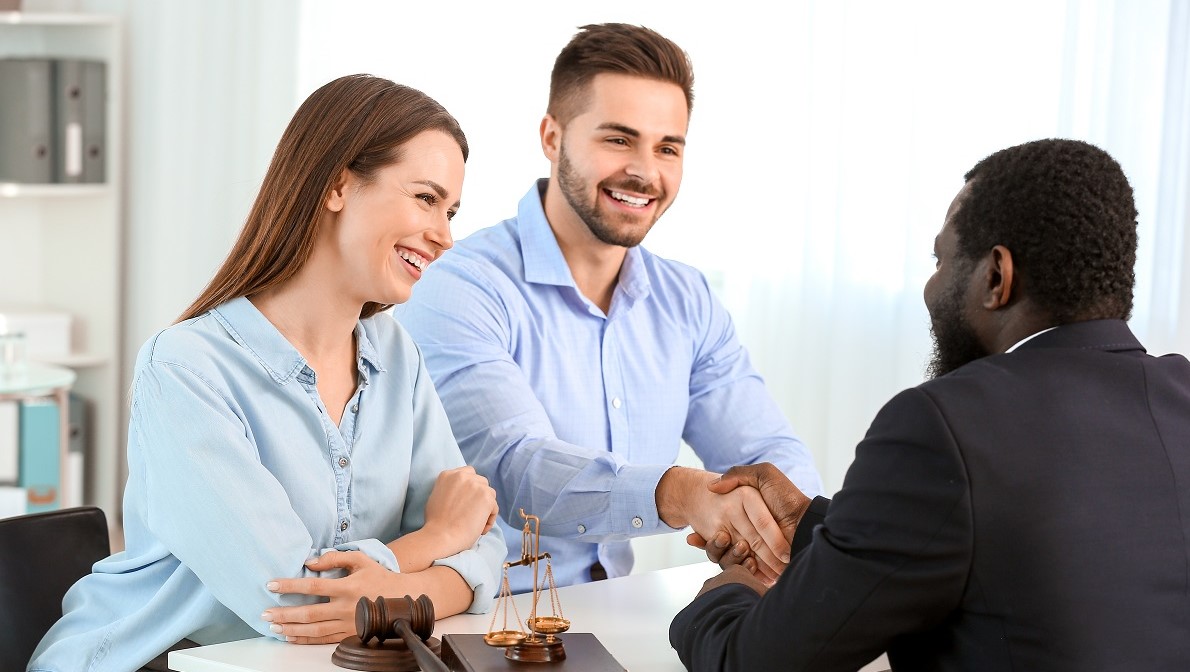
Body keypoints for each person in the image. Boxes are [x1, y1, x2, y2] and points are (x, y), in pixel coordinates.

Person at [29, 75, 506, 672]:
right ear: (337, 185)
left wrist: (389, 590)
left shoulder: (394, 355)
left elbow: (487, 545)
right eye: (425, 198)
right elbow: (288, 598)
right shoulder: (184, 367)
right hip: (156, 661)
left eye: (451, 210)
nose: (445, 234)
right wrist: (434, 543)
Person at [669, 138, 1190, 670]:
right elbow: (1006, 546)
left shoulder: (945, 426)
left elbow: (755, 663)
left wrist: (723, 594)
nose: (930, 285)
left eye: (941, 259)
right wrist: (808, 523)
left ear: (995, 277)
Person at [396, 22, 822, 593]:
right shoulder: (461, 283)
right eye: (618, 140)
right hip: (476, 621)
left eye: (667, 147)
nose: (646, 171)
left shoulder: (687, 301)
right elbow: (516, 469)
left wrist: (791, 522)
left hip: (615, 610)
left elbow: (767, 452)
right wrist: (678, 494)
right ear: (552, 137)